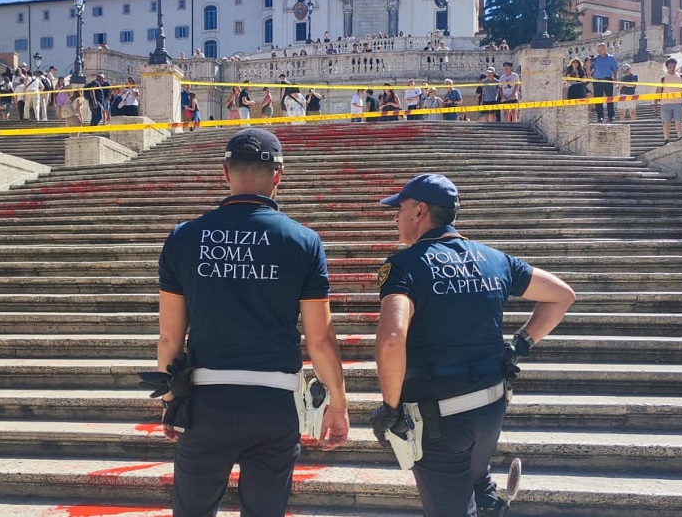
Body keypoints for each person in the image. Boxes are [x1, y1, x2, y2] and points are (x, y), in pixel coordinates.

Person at [156, 128, 349, 517]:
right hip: (273, 405)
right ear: (278, 174)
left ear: (225, 171)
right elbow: (321, 339)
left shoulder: (184, 238)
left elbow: (169, 337)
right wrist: (339, 404)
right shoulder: (304, 241)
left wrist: (170, 399)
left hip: (206, 403)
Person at [370, 173, 575, 517]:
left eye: (400, 208)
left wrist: (390, 407)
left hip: (439, 420)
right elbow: (562, 296)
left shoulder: (404, 265)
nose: (395, 217)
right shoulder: (494, 259)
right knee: (478, 483)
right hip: (490, 408)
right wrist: (520, 344)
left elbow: (392, 340)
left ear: (420, 211)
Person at [654, 57, 682, 144]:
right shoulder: (663, 78)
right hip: (665, 103)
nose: (672, 69)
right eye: (670, 67)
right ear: (667, 67)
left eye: (673, 66)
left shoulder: (681, 77)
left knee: (678, 121)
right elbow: (658, 91)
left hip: (678, 102)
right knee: (666, 122)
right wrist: (655, 103)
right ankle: (666, 139)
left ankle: (680, 137)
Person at [590, 43, 618, 122]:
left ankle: (611, 115)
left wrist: (615, 78)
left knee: (609, 98)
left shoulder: (611, 58)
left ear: (605, 49)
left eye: (600, 50)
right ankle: (600, 116)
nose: (598, 51)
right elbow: (590, 69)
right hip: (597, 80)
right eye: (598, 50)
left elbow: (615, 68)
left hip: (607, 79)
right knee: (598, 99)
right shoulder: (595, 59)